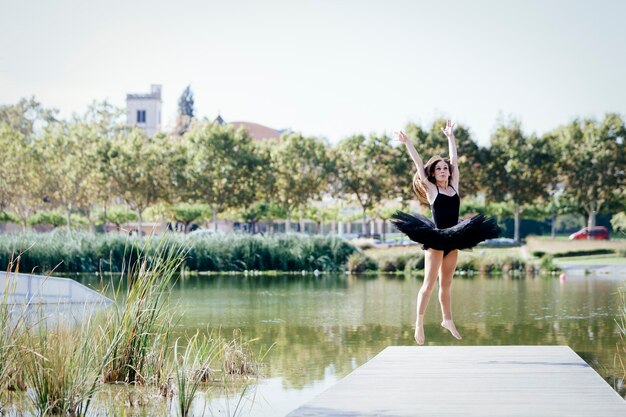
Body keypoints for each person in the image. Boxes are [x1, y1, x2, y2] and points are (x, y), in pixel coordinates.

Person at [392, 121, 500, 345]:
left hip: (455, 238)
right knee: (428, 285)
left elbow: (455, 160)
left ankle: (447, 320)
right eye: (439, 168)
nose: (443, 171)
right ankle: (419, 323)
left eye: (445, 168)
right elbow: (419, 164)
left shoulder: (454, 186)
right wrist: (407, 142)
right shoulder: (433, 190)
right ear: (433, 173)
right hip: (435, 239)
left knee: (446, 284)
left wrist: (451, 137)